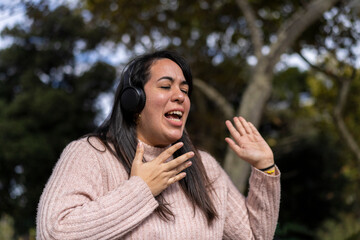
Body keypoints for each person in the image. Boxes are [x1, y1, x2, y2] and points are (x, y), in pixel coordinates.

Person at [36, 50, 280, 239]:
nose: (180, 96)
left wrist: (265, 169)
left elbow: (255, 237)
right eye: (165, 86)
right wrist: (140, 189)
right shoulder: (91, 154)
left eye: (185, 90)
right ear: (134, 102)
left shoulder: (205, 167)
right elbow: (54, 233)